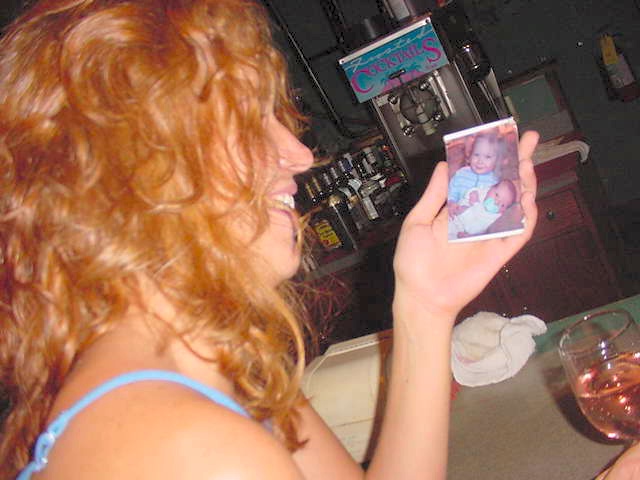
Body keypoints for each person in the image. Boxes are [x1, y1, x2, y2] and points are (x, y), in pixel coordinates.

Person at [3, 0, 607, 479]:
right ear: (130, 173)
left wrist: (424, 308)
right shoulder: (194, 447)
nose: (298, 154)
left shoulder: (223, 370)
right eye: (246, 123)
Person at [448, 130, 506, 216]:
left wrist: (478, 203)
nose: (480, 161)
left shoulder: (494, 181)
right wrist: (451, 202)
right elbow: (451, 192)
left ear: (497, 160)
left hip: (478, 217)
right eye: (476, 154)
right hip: (457, 215)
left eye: (487, 157)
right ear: (470, 154)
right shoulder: (461, 174)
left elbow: (495, 205)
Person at [448, 179, 517, 239]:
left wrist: (471, 236)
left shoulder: (494, 218)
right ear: (491, 188)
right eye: (497, 195)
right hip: (454, 216)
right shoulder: (483, 193)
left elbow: (481, 230)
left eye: (502, 205)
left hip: (466, 229)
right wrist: (473, 194)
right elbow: (469, 194)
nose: (496, 202)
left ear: (503, 211)